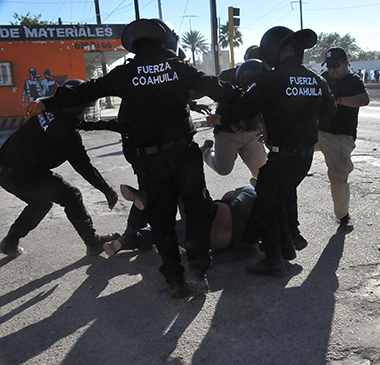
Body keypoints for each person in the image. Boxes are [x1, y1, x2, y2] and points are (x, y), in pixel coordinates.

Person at [25, 19, 240, 299]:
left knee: (161, 218)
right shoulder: (178, 67)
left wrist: (47, 102)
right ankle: (198, 270)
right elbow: (217, 88)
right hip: (183, 154)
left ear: (135, 47)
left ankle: (174, 279)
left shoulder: (125, 73)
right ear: (163, 42)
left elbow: (87, 89)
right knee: (197, 210)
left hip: (150, 161)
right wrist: (245, 95)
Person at [213, 26, 337, 277]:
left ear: (271, 50)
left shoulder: (273, 78)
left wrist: (227, 115)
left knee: (266, 208)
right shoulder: (316, 79)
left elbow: (240, 110)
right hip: (304, 157)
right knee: (278, 201)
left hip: (282, 156)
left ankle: (273, 262)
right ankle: (287, 248)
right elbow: (330, 114)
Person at [0, 79, 119, 259]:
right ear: (76, 107)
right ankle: (92, 243)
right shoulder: (66, 133)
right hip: (19, 173)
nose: (87, 112)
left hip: (8, 166)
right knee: (71, 195)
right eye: (85, 107)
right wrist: (108, 191)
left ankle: (10, 243)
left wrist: (111, 124)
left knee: (41, 202)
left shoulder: (51, 108)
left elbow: (80, 124)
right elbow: (84, 167)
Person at [104, 186, 260, 260]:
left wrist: (228, 196)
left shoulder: (249, 194)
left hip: (207, 220)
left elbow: (234, 192)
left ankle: (146, 196)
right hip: (214, 242)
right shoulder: (255, 233)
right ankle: (126, 241)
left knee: (182, 186)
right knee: (160, 232)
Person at [317, 47, 370, 229]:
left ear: (347, 63)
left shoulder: (353, 81)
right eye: (329, 66)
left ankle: (343, 216)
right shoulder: (323, 78)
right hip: (318, 132)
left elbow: (364, 99)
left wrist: (337, 100)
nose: (332, 70)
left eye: (336, 66)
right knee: (289, 151)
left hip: (339, 136)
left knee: (338, 177)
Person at [201, 58, 268, 184]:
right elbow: (224, 106)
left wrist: (265, 129)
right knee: (223, 169)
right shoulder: (227, 79)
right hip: (227, 133)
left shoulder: (265, 79)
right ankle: (206, 151)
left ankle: (261, 193)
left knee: (263, 173)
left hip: (252, 133)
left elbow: (265, 108)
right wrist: (231, 122)